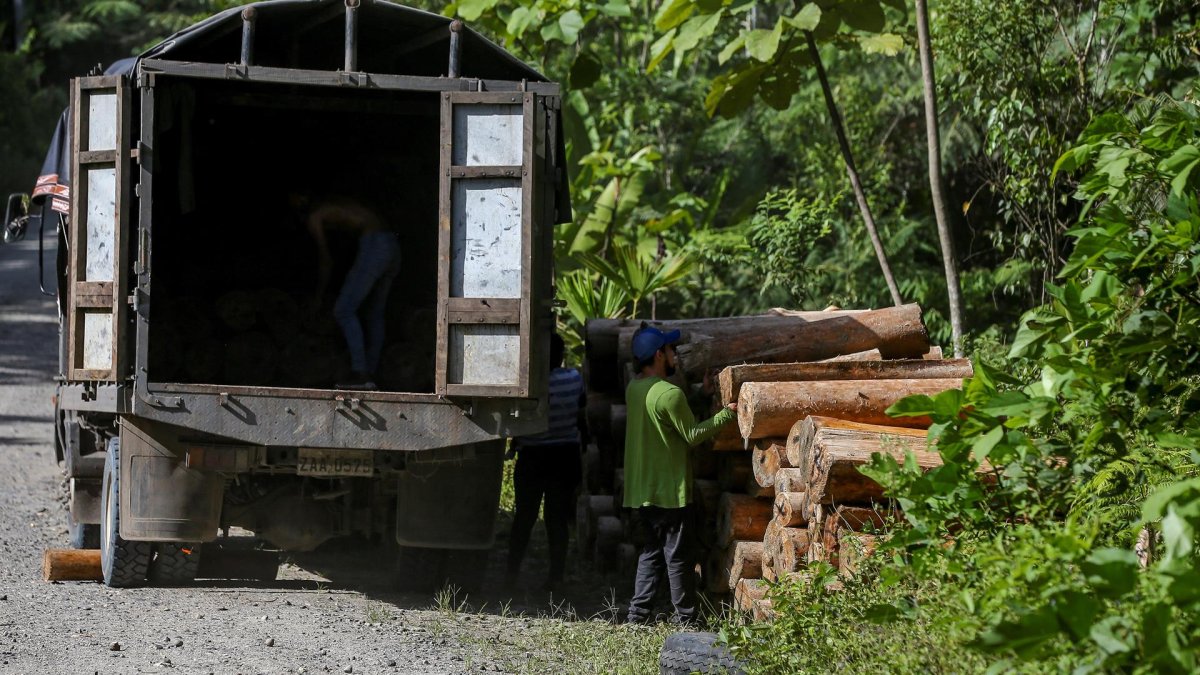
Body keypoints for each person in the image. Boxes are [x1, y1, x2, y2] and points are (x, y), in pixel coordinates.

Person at [623, 325, 736, 625]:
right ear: (660, 355)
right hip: (670, 492)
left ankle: (637, 615)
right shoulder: (670, 393)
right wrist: (728, 413)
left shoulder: (634, 389)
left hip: (640, 492)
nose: (676, 355)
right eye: (672, 350)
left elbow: (666, 418)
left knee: (651, 553)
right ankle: (687, 618)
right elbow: (691, 434)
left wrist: (701, 395)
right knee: (678, 558)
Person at [295, 195, 401, 390]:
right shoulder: (342, 206)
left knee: (343, 310)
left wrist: (319, 296)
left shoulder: (315, 216)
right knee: (374, 314)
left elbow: (326, 260)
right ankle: (371, 373)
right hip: (392, 246)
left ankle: (360, 372)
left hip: (375, 246)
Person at [505, 334, 584, 592]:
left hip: (532, 458)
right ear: (561, 356)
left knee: (524, 517)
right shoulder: (574, 380)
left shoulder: (527, 385)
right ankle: (556, 576)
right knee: (557, 519)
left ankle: (511, 574)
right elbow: (581, 415)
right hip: (565, 456)